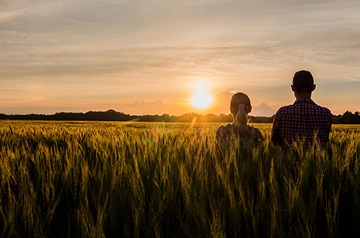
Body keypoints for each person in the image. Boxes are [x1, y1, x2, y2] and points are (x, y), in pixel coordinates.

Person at [271, 70, 332, 149]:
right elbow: (326, 142)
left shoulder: (282, 113)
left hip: (287, 161)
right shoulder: (325, 114)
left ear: (292, 88)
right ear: (313, 87)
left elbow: (274, 143)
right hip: (317, 161)